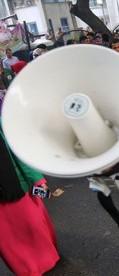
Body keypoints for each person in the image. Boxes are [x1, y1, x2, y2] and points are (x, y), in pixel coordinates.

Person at [0, 107, 59, 275]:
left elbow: (20, 153)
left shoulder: (2, 123)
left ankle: (44, 260)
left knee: (33, 225)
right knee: (7, 240)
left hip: (17, 187)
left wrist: (37, 180)